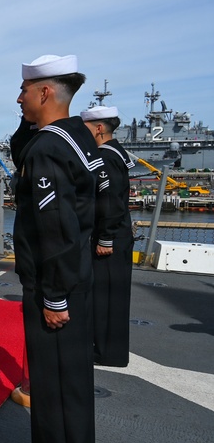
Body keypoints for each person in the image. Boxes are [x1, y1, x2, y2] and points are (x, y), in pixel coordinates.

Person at [5, 54, 102, 443]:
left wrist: (55, 297)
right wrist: (30, 120)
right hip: (76, 276)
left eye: (26, 90)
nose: (19, 97)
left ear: (45, 92)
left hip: (54, 283)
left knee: (56, 385)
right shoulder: (74, 136)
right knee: (70, 384)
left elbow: (56, 227)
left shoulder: (48, 148)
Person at [82, 105, 135, 367]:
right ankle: (108, 350)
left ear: (99, 128)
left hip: (110, 236)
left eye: (87, 127)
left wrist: (105, 238)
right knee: (113, 295)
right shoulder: (116, 153)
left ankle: (105, 352)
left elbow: (109, 200)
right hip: (118, 232)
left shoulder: (104, 157)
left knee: (106, 295)